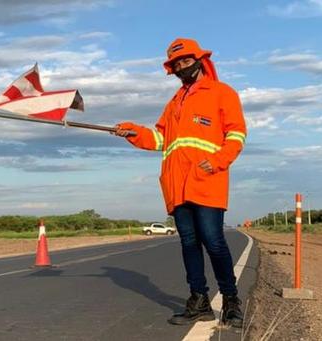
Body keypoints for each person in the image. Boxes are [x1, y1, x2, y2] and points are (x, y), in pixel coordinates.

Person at [114, 38, 247, 327]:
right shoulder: (174, 102)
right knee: (189, 243)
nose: (181, 68)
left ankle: (231, 301)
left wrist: (219, 160)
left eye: (185, 62)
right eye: (176, 65)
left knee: (213, 241)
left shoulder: (222, 93)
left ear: (200, 61)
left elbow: (236, 134)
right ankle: (199, 301)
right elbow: (160, 139)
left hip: (207, 180)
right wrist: (133, 132)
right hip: (177, 184)